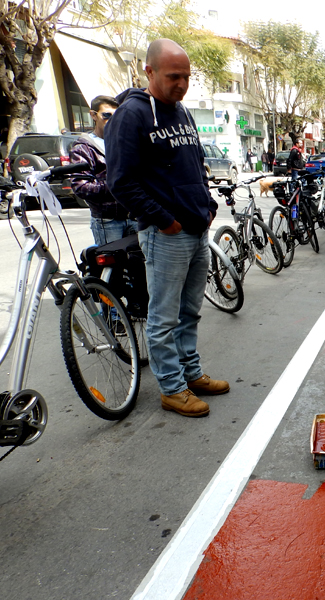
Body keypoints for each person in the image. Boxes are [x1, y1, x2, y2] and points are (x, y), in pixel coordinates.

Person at [106, 39, 228, 418]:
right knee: (164, 317)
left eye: (187, 76)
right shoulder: (132, 115)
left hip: (196, 230)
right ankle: (172, 389)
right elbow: (121, 181)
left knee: (190, 312)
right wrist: (164, 219)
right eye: (174, 76)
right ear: (149, 72)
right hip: (166, 234)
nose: (182, 84)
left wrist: (207, 205)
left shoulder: (183, 112)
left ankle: (191, 374)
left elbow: (193, 167)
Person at [69, 95, 136, 246]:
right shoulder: (83, 148)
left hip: (135, 216)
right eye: (106, 115)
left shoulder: (127, 141)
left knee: (140, 266)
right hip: (107, 220)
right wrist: (115, 185)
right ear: (93, 115)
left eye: (116, 115)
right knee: (112, 268)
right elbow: (80, 187)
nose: (112, 120)